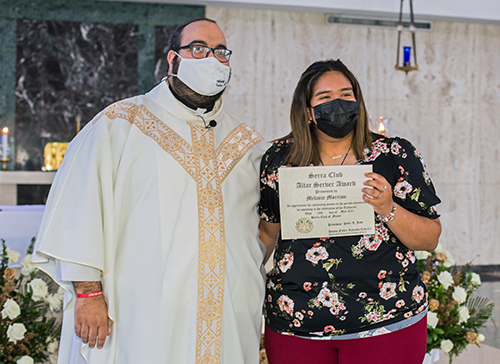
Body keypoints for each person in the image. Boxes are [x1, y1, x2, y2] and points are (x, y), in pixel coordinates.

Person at [33, 18, 267, 364]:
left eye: (221, 52)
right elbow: (80, 208)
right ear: (172, 60)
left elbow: (265, 226)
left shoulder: (247, 144)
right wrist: (88, 293)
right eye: (198, 49)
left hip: (227, 313)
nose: (211, 59)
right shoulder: (120, 125)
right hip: (140, 314)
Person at [259, 59, 441, 364]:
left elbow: (430, 238)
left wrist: (388, 207)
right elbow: (267, 233)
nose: (338, 104)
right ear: (307, 111)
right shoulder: (279, 160)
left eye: (346, 95)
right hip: (296, 326)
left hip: (386, 323)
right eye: (325, 98)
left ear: (358, 101)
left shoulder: (394, 155)